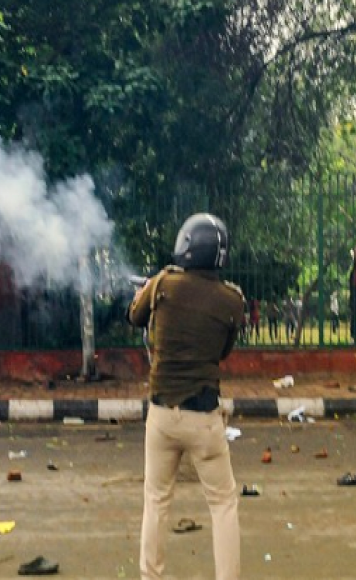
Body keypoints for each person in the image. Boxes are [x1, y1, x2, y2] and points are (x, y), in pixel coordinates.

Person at [128, 213, 244, 580]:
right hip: (204, 419)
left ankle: (151, 576)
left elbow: (134, 317)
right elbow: (223, 351)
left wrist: (144, 293)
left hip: (162, 416)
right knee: (223, 503)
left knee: (156, 500)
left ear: (187, 246)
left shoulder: (164, 283)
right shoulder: (232, 301)